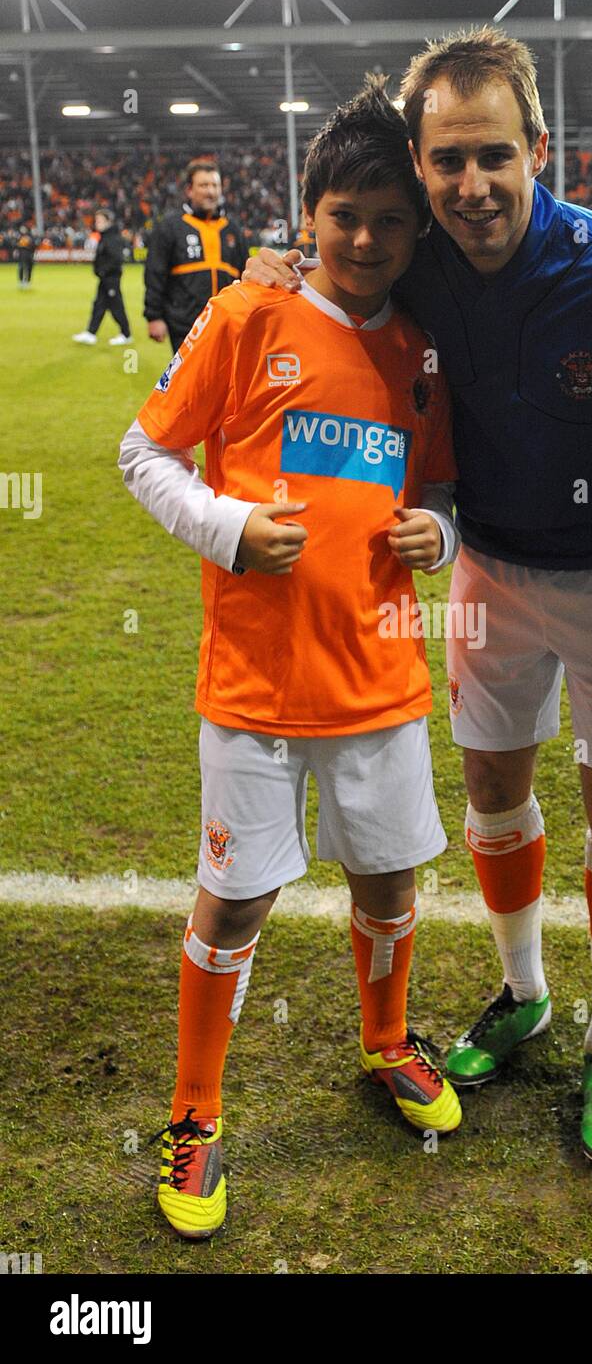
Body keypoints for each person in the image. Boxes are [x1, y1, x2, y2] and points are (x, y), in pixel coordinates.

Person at [244, 26, 592, 1166]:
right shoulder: (418, 263)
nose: (469, 187)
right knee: (491, 788)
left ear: (537, 147)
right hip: (484, 569)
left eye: (491, 157)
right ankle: (522, 991)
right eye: (446, 163)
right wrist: (277, 264)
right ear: (421, 169)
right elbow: (338, 263)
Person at [118, 77, 462, 1240]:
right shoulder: (244, 316)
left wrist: (441, 530)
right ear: (306, 214)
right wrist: (228, 527)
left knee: (391, 883)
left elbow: (440, 487)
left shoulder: (421, 351)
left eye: (388, 219)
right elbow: (143, 452)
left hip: (377, 678)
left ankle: (384, 1041)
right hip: (256, 687)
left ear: (415, 230)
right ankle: (196, 1111)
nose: (363, 239)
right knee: (236, 899)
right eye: (342, 215)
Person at [143, 158, 248, 354]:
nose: (211, 191)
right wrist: (154, 316)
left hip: (229, 325)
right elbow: (155, 273)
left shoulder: (232, 229)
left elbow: (246, 277)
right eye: (204, 185)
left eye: (215, 185)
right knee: (192, 384)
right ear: (189, 190)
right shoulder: (171, 227)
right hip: (185, 327)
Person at [72, 208, 131, 345]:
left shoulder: (113, 238)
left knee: (116, 306)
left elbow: (116, 259)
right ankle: (91, 333)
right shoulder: (105, 236)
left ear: (108, 222)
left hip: (111, 279)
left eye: (100, 220)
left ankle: (126, 334)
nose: (97, 223)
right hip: (105, 278)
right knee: (99, 305)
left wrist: (103, 271)